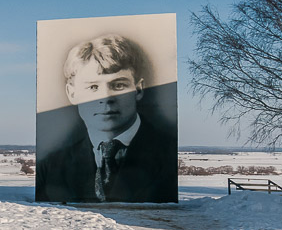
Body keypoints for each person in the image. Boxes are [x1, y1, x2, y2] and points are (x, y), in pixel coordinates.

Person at [36, 34, 177, 203]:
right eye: (93, 87)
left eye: (119, 85)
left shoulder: (169, 155)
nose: (106, 97)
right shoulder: (51, 167)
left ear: (138, 90)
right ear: (72, 93)